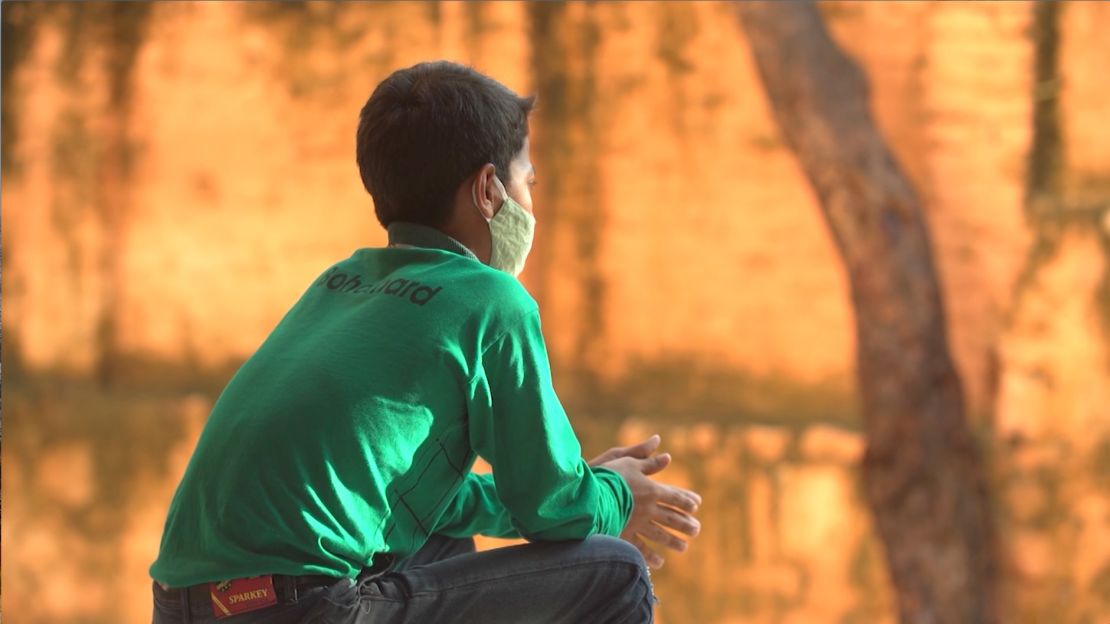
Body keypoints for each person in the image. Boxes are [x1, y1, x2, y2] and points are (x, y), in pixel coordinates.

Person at [150, 60, 702, 624]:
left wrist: (589, 487)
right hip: (306, 606)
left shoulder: (342, 283)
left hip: (187, 605)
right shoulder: (490, 301)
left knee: (435, 542)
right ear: (489, 190)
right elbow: (553, 508)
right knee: (618, 573)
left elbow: (416, 497)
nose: (530, 203)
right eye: (527, 183)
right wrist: (616, 497)